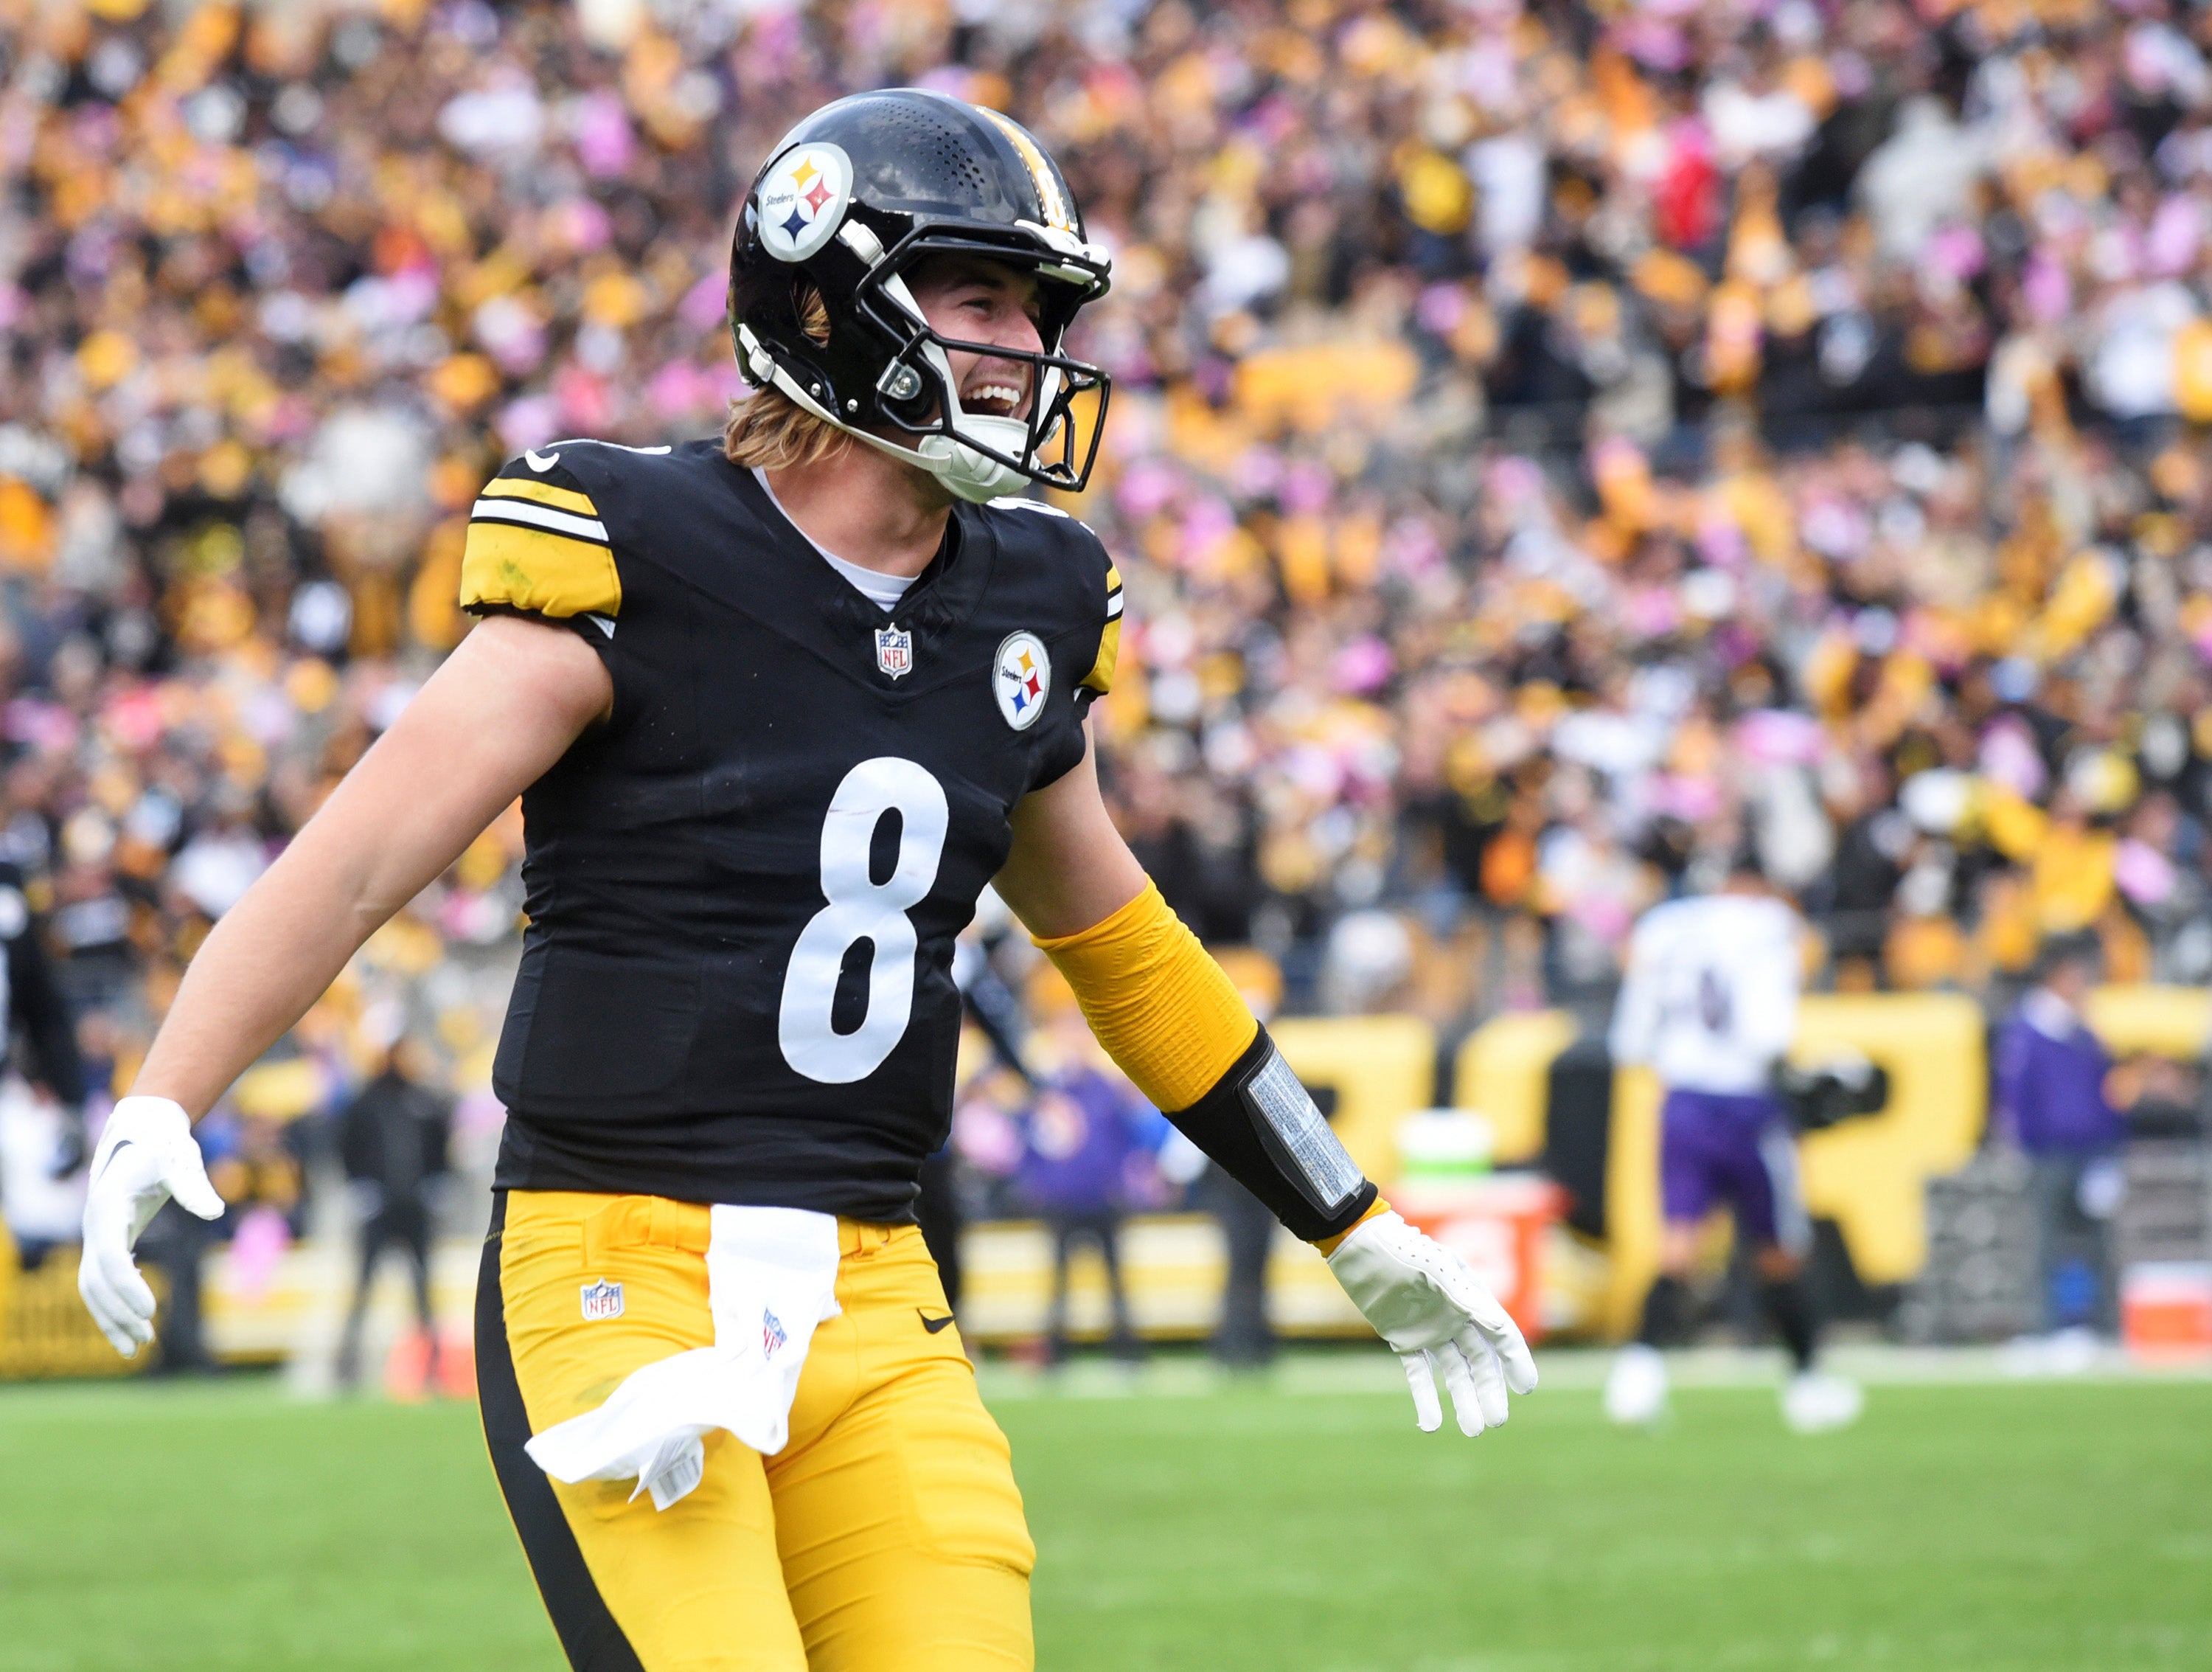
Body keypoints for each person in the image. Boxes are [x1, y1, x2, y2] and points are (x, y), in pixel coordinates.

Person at [76, 90, 1534, 1672]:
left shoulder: (1033, 603)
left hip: (874, 1281)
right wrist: (167, 1092)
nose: (1023, 351)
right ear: (829, 299)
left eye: (1037, 314)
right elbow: (355, 861)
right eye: (978, 298)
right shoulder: (639, 552)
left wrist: (1350, 1215)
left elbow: (1125, 953)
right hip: (615, 1269)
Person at [1603, 853, 1863, 1433]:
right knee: (1778, 1250)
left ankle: (1637, 1372)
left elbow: (1633, 1039)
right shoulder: (1769, 925)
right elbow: (1769, 1031)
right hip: (1745, 1105)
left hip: (1684, 1101)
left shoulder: (1665, 926)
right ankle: (1807, 1383)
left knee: (1679, 1247)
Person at [1993, 935, 2126, 1339]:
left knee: (2099, 1245)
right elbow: (2014, 1097)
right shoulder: (2027, 1032)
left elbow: (2102, 1095)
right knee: (2043, 1243)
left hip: (2089, 1153)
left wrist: (2110, 1152)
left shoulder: (2084, 1034)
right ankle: (2044, 1328)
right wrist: (2016, 1145)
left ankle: (2103, 1329)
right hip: (2046, 1153)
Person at [334, 1038, 455, 1388]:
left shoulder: (425, 1102)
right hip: (378, 1211)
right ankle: (348, 1369)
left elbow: (441, 1148)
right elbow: (345, 1146)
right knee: (363, 1287)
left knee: (424, 1291)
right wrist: (359, 1187)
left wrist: (438, 1185)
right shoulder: (365, 1103)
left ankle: (434, 1369)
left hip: (416, 1209)